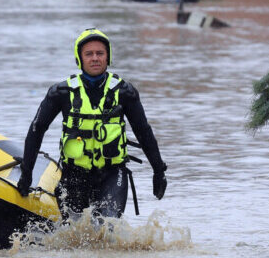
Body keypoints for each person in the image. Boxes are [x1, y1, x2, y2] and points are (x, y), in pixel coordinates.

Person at [16, 28, 168, 219]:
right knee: (74, 231)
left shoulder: (125, 92)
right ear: (79, 58)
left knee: (106, 226)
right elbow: (37, 130)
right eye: (89, 54)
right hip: (74, 175)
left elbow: (143, 132)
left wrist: (158, 170)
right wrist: (26, 173)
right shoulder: (60, 93)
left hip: (112, 174)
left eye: (100, 53)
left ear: (108, 57)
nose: (95, 58)